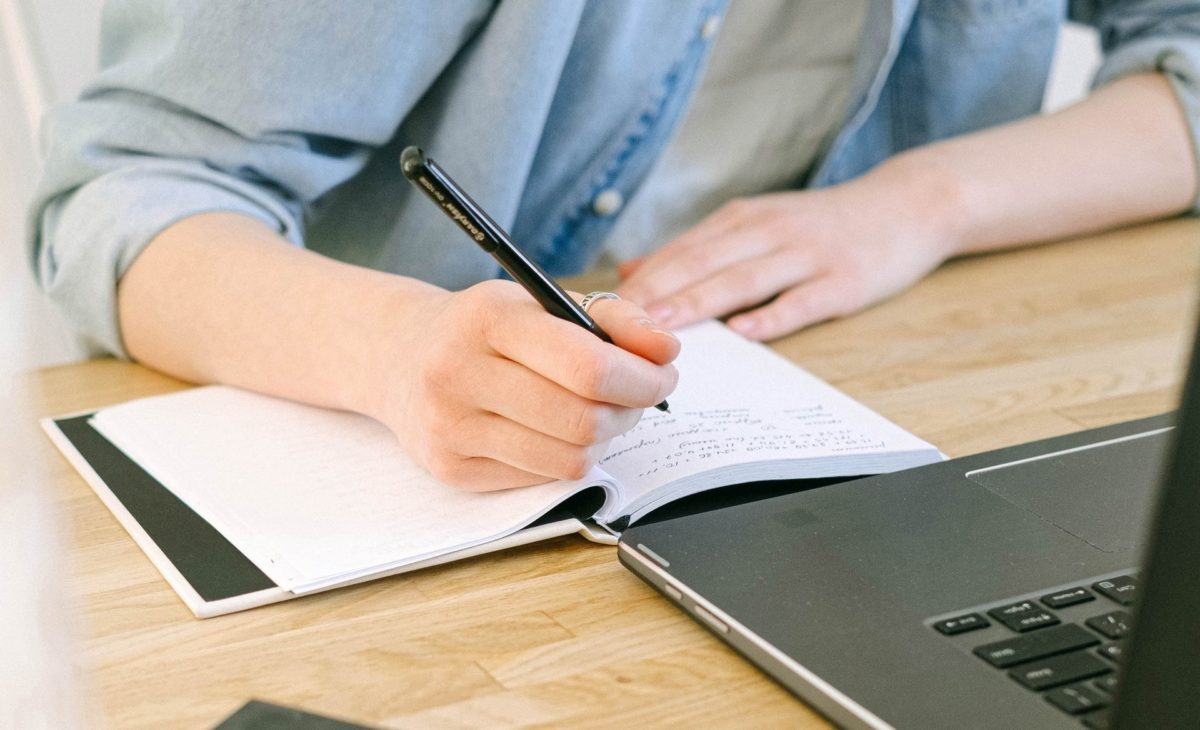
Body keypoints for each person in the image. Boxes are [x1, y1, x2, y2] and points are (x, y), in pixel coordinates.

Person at [28, 1, 1200, 492]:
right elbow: (122, 197)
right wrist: (392, 348)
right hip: (426, 485)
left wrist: (923, 202)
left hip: (887, 434)